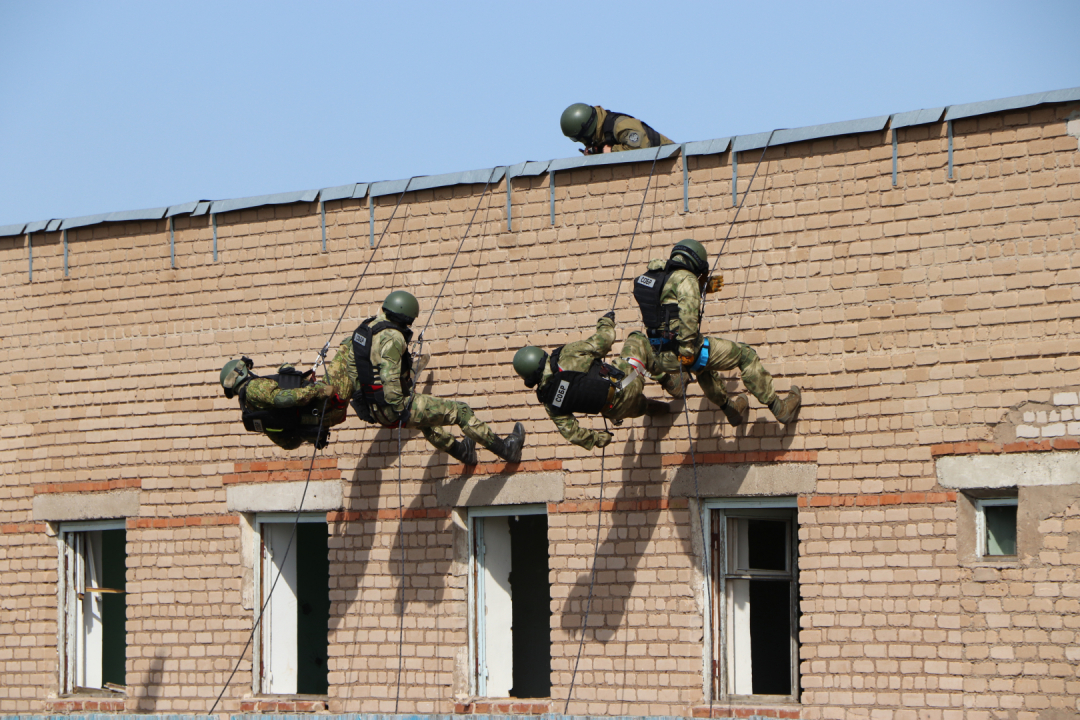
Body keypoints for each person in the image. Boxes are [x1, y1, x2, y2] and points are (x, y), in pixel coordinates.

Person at [632, 239, 802, 426]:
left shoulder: (658, 279)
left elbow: (668, 304)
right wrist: (687, 351)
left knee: (704, 367)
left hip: (661, 357)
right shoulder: (686, 278)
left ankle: (732, 411)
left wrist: (701, 289)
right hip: (683, 353)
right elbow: (688, 316)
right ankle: (780, 409)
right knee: (745, 355)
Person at [348, 290, 525, 465]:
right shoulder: (393, 337)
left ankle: (464, 453)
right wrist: (400, 411)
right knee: (461, 412)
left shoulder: (365, 331)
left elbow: (353, 370)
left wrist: (366, 408)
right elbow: (388, 377)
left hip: (375, 410)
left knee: (428, 421)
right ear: (407, 317)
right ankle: (507, 450)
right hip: (393, 408)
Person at [512, 311, 666, 451]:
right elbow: (604, 341)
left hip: (618, 410)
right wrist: (606, 322)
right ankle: (668, 380)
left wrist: (599, 439)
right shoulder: (566, 356)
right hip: (628, 381)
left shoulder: (549, 401)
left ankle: (651, 407)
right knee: (637, 337)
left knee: (639, 406)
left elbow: (573, 434)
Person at [219, 353, 351, 450]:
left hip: (326, 418)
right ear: (240, 374)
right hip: (330, 401)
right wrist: (316, 391)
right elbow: (282, 398)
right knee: (348, 347)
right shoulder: (253, 387)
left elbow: (288, 444)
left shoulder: (250, 408)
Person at [560, 103, 673, 155]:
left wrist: (611, 151)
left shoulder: (620, 125)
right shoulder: (601, 134)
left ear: (587, 132)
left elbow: (641, 149)